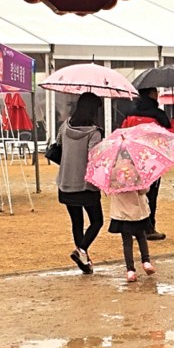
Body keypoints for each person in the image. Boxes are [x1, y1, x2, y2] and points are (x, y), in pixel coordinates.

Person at [55, 92, 104, 274]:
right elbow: (94, 157)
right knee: (97, 221)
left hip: (65, 182)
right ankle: (81, 250)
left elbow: (58, 145)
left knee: (77, 222)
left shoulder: (65, 127)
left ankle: (85, 262)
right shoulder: (94, 133)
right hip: (86, 185)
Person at [121, 86, 171, 240]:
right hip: (151, 161)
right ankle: (149, 228)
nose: (158, 94)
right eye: (156, 92)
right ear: (150, 94)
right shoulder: (158, 115)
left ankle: (135, 227)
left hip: (132, 159)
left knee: (135, 194)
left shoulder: (129, 113)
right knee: (151, 195)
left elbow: (123, 134)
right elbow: (166, 134)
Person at [107, 186, 155, 283]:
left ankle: (130, 270)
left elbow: (108, 189)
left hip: (121, 213)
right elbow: (143, 190)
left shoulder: (113, 173)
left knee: (127, 242)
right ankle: (146, 261)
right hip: (138, 211)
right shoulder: (136, 172)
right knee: (141, 237)